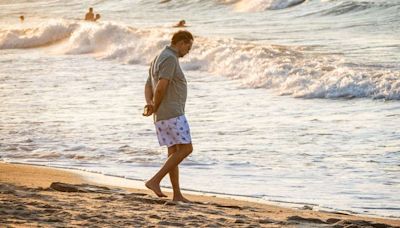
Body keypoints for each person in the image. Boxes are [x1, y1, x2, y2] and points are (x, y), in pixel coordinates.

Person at [143, 30, 194, 202]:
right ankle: (155, 180)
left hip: (162, 114)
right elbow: (161, 87)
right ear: (181, 42)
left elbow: (148, 85)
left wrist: (150, 104)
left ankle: (177, 194)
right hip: (172, 112)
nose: (189, 51)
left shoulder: (159, 57)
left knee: (173, 152)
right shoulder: (170, 58)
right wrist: (155, 105)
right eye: (189, 46)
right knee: (187, 149)